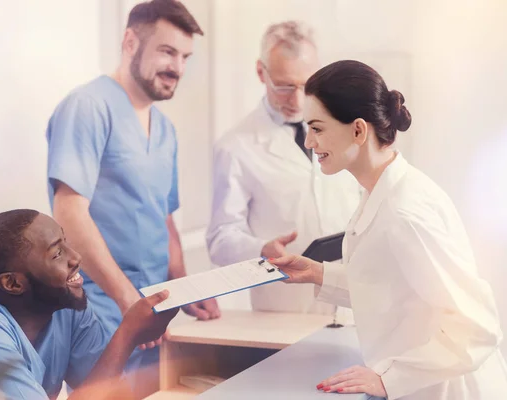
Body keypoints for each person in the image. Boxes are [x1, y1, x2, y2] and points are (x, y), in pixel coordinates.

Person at [269, 60, 507, 399]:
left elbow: (477, 328)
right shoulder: (381, 190)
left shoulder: (404, 212)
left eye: (317, 128)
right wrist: (318, 274)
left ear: (358, 131)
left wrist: (388, 379)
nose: (308, 142)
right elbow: (391, 288)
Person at [45, 0, 220, 395]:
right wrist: (127, 301)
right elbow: (69, 211)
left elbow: (164, 216)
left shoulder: (165, 128)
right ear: (129, 41)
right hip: (102, 309)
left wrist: (185, 288)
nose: (177, 67)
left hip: (153, 312)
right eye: (167, 51)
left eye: (185, 56)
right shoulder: (88, 107)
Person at [0, 209, 178, 399]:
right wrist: (127, 335)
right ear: (13, 283)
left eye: (66, 242)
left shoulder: (64, 303)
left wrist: (128, 336)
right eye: (57, 253)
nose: (76, 258)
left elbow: (109, 393)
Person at [206, 21, 359, 313]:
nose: (298, 100)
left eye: (307, 85)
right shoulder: (235, 146)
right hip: (286, 310)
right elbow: (220, 238)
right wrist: (261, 249)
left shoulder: (343, 128)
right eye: (285, 87)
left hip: (351, 306)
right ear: (261, 72)